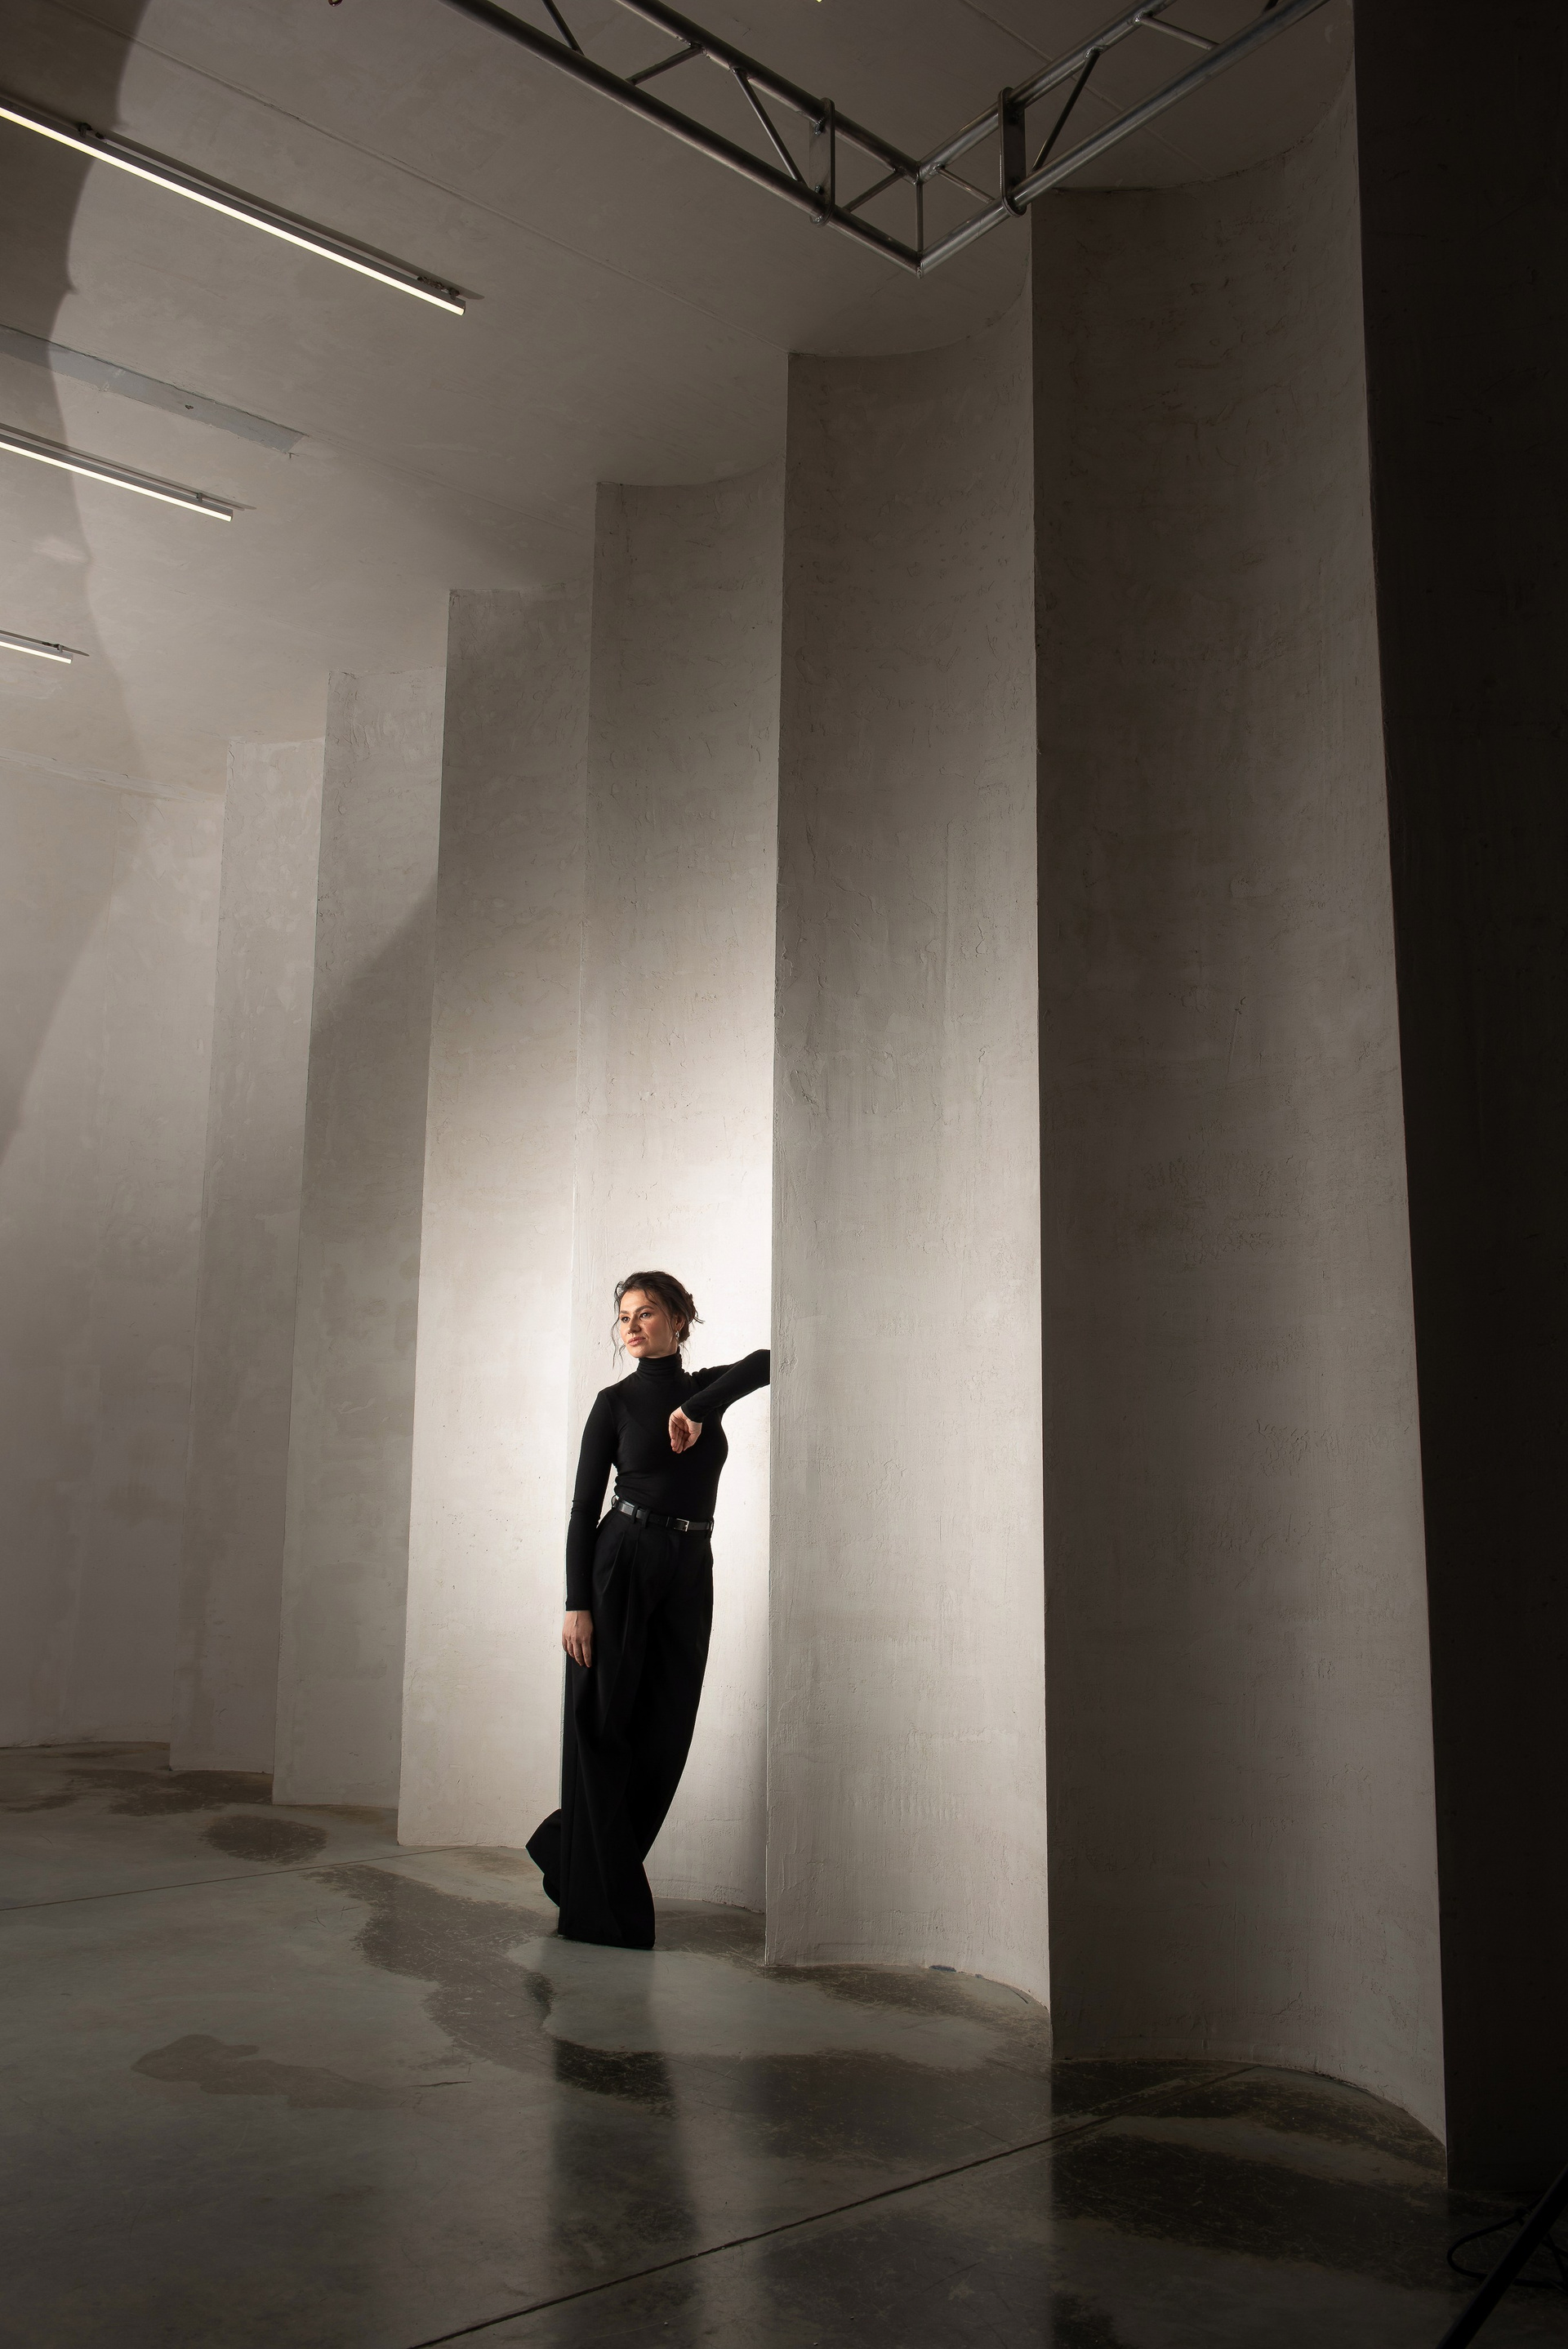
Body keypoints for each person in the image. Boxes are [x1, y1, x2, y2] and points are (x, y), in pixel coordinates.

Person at [527, 1271, 769, 1949]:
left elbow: (769, 1361)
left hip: (690, 1565)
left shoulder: (705, 1392)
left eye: (647, 1313)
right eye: (624, 1316)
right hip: (623, 1561)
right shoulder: (614, 1404)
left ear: (679, 1320)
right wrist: (577, 1604)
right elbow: (583, 1510)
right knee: (604, 1725)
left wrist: (698, 1408)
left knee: (666, 1730)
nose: (631, 1327)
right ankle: (603, 1910)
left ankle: (566, 1849)